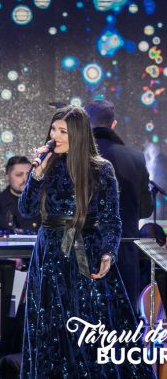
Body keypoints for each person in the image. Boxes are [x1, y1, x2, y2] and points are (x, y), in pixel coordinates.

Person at [19, 106, 153, 377]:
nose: (55, 136)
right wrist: (37, 174)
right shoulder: (47, 166)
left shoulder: (101, 169)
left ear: (79, 134)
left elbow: (112, 219)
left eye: (63, 131)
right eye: (53, 129)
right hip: (49, 254)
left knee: (89, 326)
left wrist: (108, 253)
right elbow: (26, 209)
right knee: (50, 326)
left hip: (86, 251)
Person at [85, 98, 153, 312]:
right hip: (124, 248)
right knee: (123, 317)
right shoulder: (136, 158)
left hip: (84, 248)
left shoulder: (73, 156)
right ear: (113, 124)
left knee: (85, 318)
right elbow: (146, 209)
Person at [0, 155, 40, 234]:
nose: (25, 179)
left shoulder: (43, 203)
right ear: (7, 177)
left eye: (29, 174)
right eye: (19, 175)